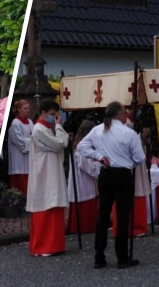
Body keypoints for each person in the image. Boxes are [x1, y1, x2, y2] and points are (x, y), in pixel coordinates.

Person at [76, 101, 145, 270]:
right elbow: (140, 158)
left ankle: (99, 256)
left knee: (103, 215)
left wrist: (99, 156)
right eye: (124, 113)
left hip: (105, 173)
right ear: (119, 115)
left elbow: (81, 146)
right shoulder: (129, 133)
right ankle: (122, 256)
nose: (126, 115)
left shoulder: (97, 130)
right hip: (122, 174)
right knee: (122, 215)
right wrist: (127, 158)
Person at [25, 100, 69, 256]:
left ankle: (53, 245)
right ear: (43, 113)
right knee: (46, 203)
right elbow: (60, 143)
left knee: (53, 204)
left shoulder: (44, 128)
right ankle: (44, 246)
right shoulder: (39, 129)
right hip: (45, 173)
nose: (54, 118)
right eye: (52, 114)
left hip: (50, 171)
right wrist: (59, 127)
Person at [66, 120, 100, 234]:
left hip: (85, 182)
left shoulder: (80, 145)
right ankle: (83, 227)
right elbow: (88, 167)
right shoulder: (81, 148)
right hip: (83, 183)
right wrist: (99, 165)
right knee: (84, 205)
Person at [6, 99, 33, 194]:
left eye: (28, 108)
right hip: (18, 159)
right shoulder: (15, 123)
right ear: (18, 109)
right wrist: (33, 142)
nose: (27, 110)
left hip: (29, 157)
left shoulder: (30, 122)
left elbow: (34, 135)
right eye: (25, 108)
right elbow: (19, 141)